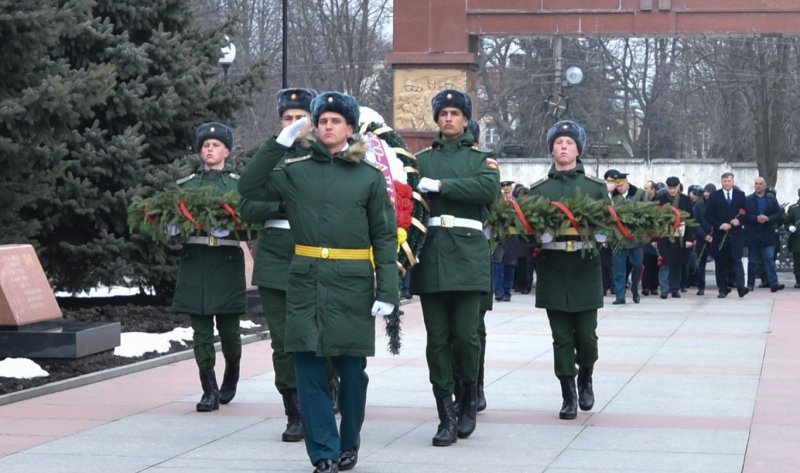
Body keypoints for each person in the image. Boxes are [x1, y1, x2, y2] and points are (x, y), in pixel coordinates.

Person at [237, 91, 398, 473]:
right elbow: (249, 187)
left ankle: (349, 441)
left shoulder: (368, 178)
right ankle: (323, 452)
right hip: (306, 280)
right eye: (322, 121)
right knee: (308, 369)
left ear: (350, 128)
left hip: (352, 283)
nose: (328, 126)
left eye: (335, 121)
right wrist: (280, 142)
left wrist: (388, 290)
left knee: (352, 373)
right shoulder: (296, 171)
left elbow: (385, 236)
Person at [411, 89, 500, 446]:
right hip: (432, 255)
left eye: (455, 113)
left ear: (465, 120)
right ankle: (444, 413)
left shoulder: (482, 160)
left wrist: (442, 186)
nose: (448, 118)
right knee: (437, 340)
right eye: (443, 113)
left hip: (467, 257)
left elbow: (487, 189)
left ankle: (467, 399)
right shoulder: (420, 160)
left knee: (466, 336)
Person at [238, 87, 317, 442]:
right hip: (275, 259)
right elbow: (248, 206)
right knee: (283, 342)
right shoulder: (270, 158)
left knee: (319, 334)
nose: (295, 125)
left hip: (315, 255)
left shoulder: (326, 156)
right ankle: (294, 410)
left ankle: (325, 392)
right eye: (288, 119)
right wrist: (283, 207)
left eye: (301, 118)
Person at [528, 120, 605, 420]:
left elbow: (612, 222)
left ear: (578, 149)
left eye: (569, 142)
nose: (563, 146)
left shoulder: (595, 188)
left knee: (586, 336)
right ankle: (568, 394)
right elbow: (525, 227)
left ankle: (586, 374)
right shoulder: (540, 189)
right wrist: (537, 235)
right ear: (551, 149)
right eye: (558, 142)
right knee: (561, 337)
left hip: (585, 266)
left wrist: (603, 234)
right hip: (554, 266)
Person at [171, 122, 245, 412]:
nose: (209, 149)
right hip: (196, 261)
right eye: (205, 145)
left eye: (215, 145)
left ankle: (232, 370)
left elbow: (252, 225)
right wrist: (172, 228)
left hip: (225, 262)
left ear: (227, 150)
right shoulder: (187, 185)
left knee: (229, 331)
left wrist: (235, 231)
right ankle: (209, 388)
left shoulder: (238, 185)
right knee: (200, 331)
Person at [705, 172, 749, 298]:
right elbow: (708, 215)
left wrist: (739, 221)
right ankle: (723, 289)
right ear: (721, 182)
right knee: (720, 262)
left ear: (733, 181)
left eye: (729, 181)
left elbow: (747, 212)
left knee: (737, 260)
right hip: (720, 235)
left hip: (736, 234)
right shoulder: (715, 196)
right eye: (725, 181)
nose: (727, 183)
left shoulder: (740, 195)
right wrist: (720, 224)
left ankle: (741, 287)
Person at [607, 169, 646, 304]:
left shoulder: (639, 194)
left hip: (635, 236)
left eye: (621, 185)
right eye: (616, 186)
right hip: (618, 237)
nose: (619, 188)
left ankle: (635, 288)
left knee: (637, 264)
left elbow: (646, 212)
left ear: (626, 182)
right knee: (619, 267)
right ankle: (620, 296)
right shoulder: (612, 197)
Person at [743, 176, 785, 292]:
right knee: (752, 261)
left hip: (767, 234)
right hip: (753, 235)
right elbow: (744, 217)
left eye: (760, 183)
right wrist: (756, 218)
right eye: (756, 183)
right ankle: (750, 284)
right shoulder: (748, 200)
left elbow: (778, 213)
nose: (758, 186)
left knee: (769, 259)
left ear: (764, 185)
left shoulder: (771, 199)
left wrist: (768, 218)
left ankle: (774, 284)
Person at [657, 177, 693, 299]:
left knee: (677, 263)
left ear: (678, 187)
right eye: (670, 188)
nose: (672, 190)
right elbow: (655, 220)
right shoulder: (661, 199)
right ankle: (664, 289)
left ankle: (675, 288)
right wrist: (654, 239)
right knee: (665, 262)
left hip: (679, 237)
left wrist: (689, 239)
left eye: (674, 188)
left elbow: (690, 220)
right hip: (664, 236)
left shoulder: (686, 200)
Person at [491, 181, 524, 302]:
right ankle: (498, 292)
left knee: (510, 265)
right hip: (498, 237)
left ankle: (507, 292)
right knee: (497, 263)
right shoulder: (496, 202)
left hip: (512, 238)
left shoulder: (517, 203)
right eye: (505, 191)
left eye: (509, 191)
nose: (507, 194)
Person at [690, 185, 713, 295]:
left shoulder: (716, 205)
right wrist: (704, 236)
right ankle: (701, 286)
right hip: (702, 238)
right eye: (706, 191)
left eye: (709, 191)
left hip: (715, 238)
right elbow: (695, 223)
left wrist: (713, 235)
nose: (707, 194)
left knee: (720, 262)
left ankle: (722, 286)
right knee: (700, 262)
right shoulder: (698, 206)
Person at [784, 187, 800, 288]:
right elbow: (787, 221)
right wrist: (790, 226)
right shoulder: (793, 208)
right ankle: (798, 280)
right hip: (797, 239)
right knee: (797, 261)